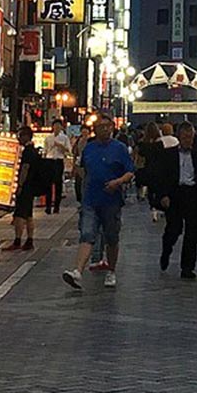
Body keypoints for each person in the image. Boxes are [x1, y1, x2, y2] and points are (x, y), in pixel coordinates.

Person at [63, 115, 133, 291]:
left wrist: (117, 182)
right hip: (91, 200)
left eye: (107, 126)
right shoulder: (89, 149)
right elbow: (82, 169)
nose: (105, 129)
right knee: (87, 234)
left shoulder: (120, 148)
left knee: (111, 236)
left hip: (111, 201)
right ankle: (78, 271)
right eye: (100, 126)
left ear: (112, 128)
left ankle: (111, 270)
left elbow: (130, 172)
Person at [150, 119, 197, 280]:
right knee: (174, 229)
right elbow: (160, 176)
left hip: (192, 194)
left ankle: (187, 267)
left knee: (191, 232)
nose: (188, 141)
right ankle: (166, 250)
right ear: (179, 137)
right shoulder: (168, 155)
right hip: (174, 194)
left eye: (190, 137)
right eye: (185, 137)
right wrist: (163, 195)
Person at [4, 125, 39, 252]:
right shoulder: (34, 150)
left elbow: (25, 168)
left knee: (20, 215)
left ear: (25, 136)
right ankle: (30, 240)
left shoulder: (28, 152)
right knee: (29, 215)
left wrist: (19, 185)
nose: (18, 139)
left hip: (25, 187)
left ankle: (17, 240)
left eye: (20, 136)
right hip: (32, 187)